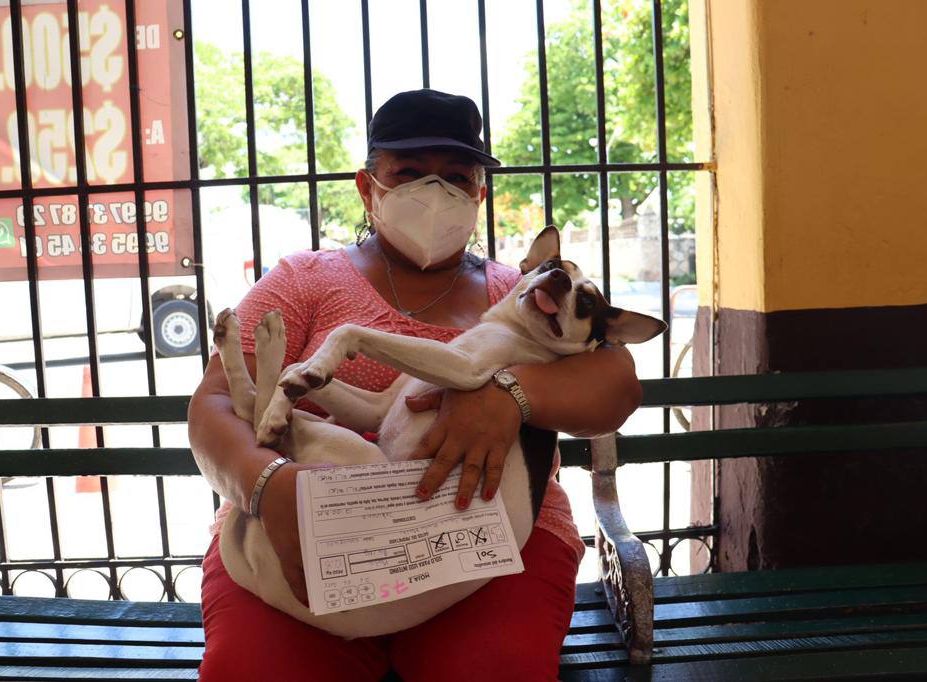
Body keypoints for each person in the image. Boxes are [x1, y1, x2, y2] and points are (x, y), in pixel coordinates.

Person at [188, 89, 643, 681]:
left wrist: (510, 395)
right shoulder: (304, 279)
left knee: (494, 671)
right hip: (301, 527)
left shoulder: (521, 292)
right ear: (366, 185)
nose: (436, 193)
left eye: (457, 177)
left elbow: (617, 386)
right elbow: (215, 404)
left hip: (491, 541)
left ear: (480, 193)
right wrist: (264, 485)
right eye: (409, 173)